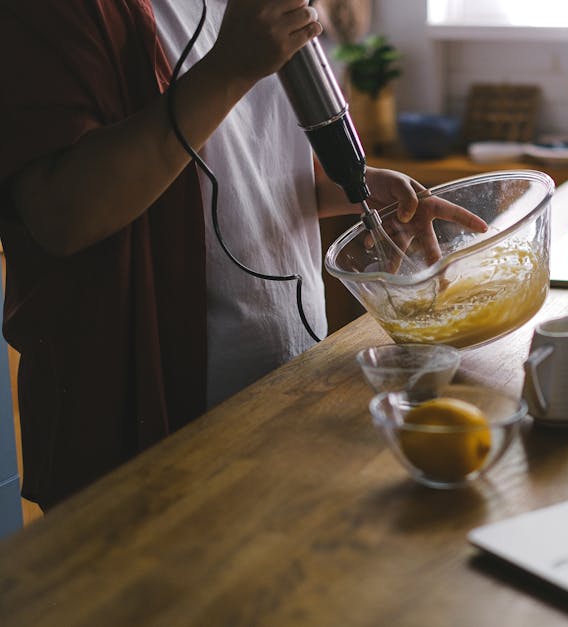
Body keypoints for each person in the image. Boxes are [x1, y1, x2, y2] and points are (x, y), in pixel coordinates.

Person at [0, 0, 485, 510]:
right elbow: (63, 215)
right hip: (160, 438)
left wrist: (355, 184)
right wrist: (229, 67)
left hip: (287, 393)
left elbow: (245, 167)